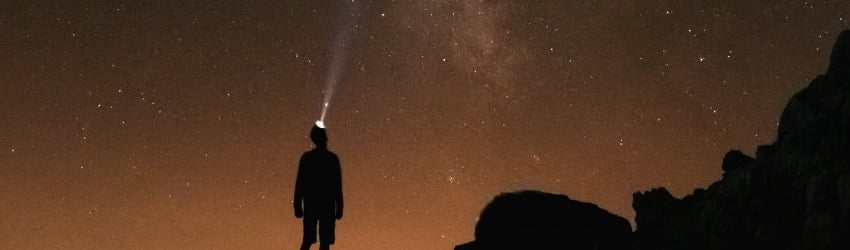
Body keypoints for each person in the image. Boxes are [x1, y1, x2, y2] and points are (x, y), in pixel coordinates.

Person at [294, 124, 344, 250]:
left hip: (319, 204)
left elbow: (337, 185)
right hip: (319, 204)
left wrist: (340, 207)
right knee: (312, 240)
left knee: (319, 240)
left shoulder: (311, 158)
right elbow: (301, 182)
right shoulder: (327, 158)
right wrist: (297, 205)